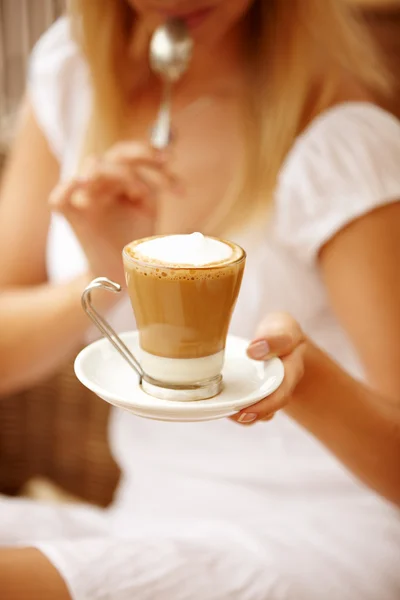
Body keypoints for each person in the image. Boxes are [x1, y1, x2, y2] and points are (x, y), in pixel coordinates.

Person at [0, 1, 399, 598]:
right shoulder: (72, 76)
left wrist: (302, 376)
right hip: (146, 516)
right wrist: (102, 274)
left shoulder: (339, 137)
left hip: (318, 533)